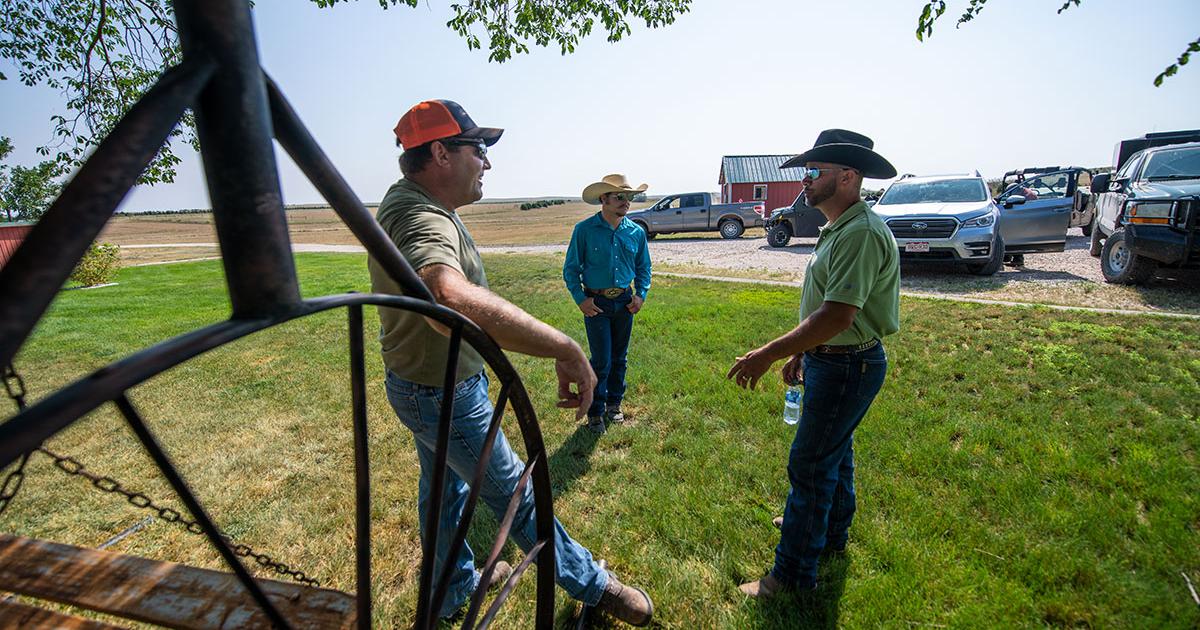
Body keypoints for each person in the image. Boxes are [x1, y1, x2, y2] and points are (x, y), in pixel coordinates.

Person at [368, 99, 653, 625]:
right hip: (441, 391)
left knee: (444, 492)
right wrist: (565, 347)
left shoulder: (420, 203)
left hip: (431, 382)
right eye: (479, 150)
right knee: (517, 495)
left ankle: (452, 589)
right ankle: (596, 587)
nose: (488, 163)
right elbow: (445, 298)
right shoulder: (417, 214)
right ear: (440, 152)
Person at [727, 129, 900, 598]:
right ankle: (828, 534)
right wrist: (805, 351)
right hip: (836, 360)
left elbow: (838, 314)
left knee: (809, 465)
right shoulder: (843, 228)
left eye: (813, 172)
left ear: (847, 177)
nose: (804, 181)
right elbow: (830, 308)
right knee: (834, 455)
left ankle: (792, 575)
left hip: (849, 365)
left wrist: (768, 354)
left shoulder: (860, 232)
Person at [563, 174, 652, 434]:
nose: (626, 202)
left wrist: (641, 294)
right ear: (604, 199)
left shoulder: (635, 232)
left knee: (620, 359)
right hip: (596, 304)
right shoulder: (584, 230)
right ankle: (595, 411)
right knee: (601, 360)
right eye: (620, 197)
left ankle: (615, 404)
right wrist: (581, 299)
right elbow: (571, 270)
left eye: (630, 197)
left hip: (624, 302)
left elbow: (644, 268)